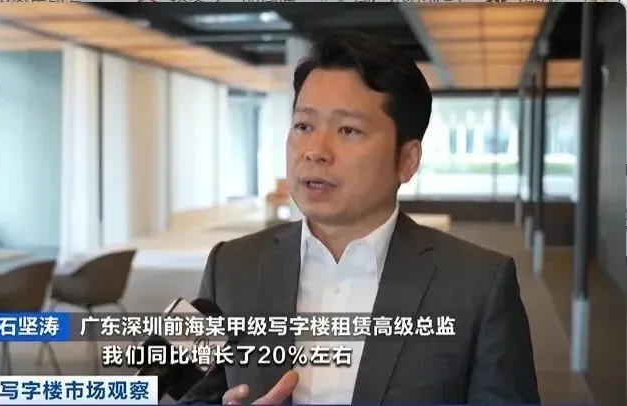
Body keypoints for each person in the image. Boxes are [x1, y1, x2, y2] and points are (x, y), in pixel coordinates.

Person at [182, 32, 540, 404]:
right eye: (303, 126)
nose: (315, 151)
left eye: (348, 130)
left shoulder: (479, 286)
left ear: (407, 160)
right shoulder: (229, 265)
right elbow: (167, 389)